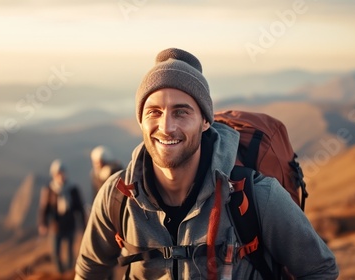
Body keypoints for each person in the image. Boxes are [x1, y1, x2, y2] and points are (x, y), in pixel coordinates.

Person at [75, 48, 339, 279]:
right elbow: (89, 271)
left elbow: (320, 270)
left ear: (205, 121)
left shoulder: (257, 196)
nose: (166, 127)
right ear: (141, 121)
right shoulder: (117, 197)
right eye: (154, 111)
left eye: (181, 112)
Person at [38, 159, 86, 275]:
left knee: (70, 252)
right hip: (56, 227)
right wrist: (43, 224)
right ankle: (61, 273)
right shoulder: (49, 190)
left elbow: (80, 208)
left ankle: (69, 274)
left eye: (62, 173)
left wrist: (84, 225)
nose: (61, 176)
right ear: (54, 175)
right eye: (58, 173)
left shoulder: (73, 189)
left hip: (70, 225)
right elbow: (44, 209)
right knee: (56, 253)